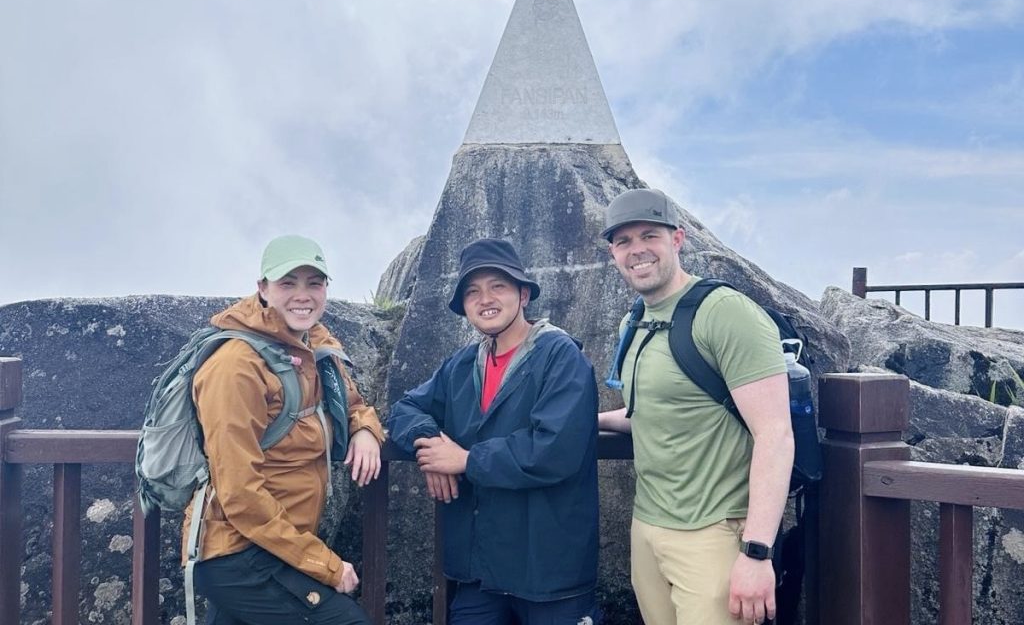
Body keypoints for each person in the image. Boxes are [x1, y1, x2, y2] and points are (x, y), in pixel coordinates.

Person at [597, 189, 794, 625]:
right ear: (613, 253)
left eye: (650, 235)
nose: (637, 250)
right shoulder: (634, 321)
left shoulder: (725, 313)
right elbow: (646, 412)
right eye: (623, 241)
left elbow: (775, 434)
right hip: (647, 528)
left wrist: (757, 553)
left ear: (678, 239)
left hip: (715, 534)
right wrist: (584, 423)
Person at [388, 237, 600, 625]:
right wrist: (431, 446)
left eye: (497, 286)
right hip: (480, 573)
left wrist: (465, 460)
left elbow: (554, 449)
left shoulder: (560, 356)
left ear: (523, 294)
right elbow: (406, 408)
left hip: (549, 571)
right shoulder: (461, 365)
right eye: (472, 292)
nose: (485, 299)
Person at [185, 235, 385, 625]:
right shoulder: (236, 367)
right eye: (288, 283)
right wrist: (325, 565)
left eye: (314, 283)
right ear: (262, 288)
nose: (303, 295)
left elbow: (353, 403)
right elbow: (240, 494)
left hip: (275, 543)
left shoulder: (313, 345)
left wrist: (365, 430)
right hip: (237, 552)